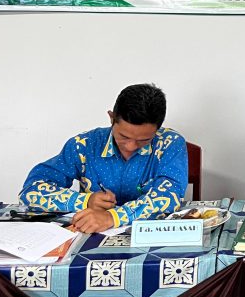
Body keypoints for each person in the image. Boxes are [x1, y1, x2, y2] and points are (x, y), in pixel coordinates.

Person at [19, 83, 188, 233]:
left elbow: (169, 196)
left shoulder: (170, 144)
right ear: (112, 118)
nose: (130, 146)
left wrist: (112, 217)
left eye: (144, 140)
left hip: (149, 238)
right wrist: (85, 201)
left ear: (157, 129)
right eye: (123, 136)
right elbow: (31, 190)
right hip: (89, 237)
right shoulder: (84, 145)